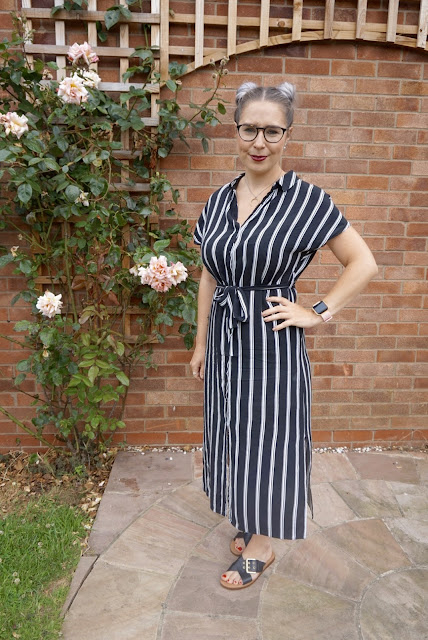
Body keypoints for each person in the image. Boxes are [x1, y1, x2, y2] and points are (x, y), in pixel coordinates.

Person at [190, 82, 378, 591]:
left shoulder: (307, 201)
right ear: (236, 131)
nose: (259, 142)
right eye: (249, 129)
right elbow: (208, 274)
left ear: (288, 136)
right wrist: (201, 341)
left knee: (270, 439)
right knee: (232, 433)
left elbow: (362, 262)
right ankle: (249, 516)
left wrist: (317, 312)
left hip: (272, 343)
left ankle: (264, 545)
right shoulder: (219, 200)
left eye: (272, 131)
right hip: (225, 339)